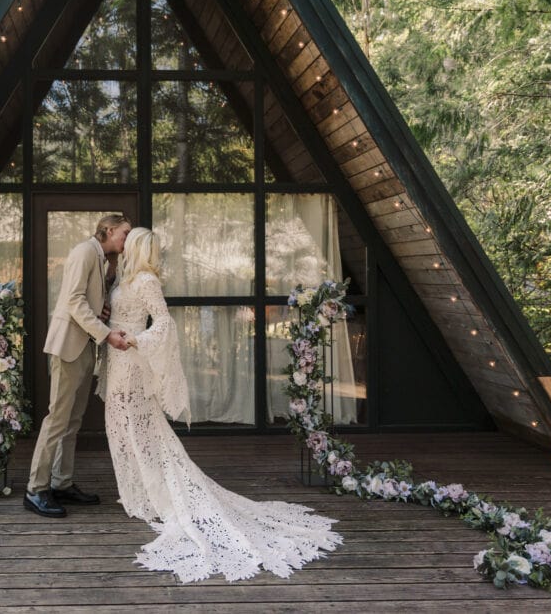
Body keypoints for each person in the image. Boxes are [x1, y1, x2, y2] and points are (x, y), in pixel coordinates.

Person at [103, 227, 342, 582]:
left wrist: (137, 339)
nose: (123, 246)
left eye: (130, 242)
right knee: (121, 428)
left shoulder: (147, 281)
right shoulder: (125, 278)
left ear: (137, 248)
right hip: (115, 362)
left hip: (132, 361)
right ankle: (139, 494)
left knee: (141, 430)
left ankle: (155, 497)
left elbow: (165, 323)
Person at [24, 214, 133, 518]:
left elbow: (86, 300)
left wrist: (102, 311)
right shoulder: (85, 252)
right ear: (109, 230)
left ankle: (61, 483)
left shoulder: (100, 257)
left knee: (73, 421)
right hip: (69, 346)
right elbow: (73, 301)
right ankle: (36, 489)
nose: (126, 240)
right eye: (124, 233)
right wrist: (107, 334)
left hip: (85, 346)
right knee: (57, 420)